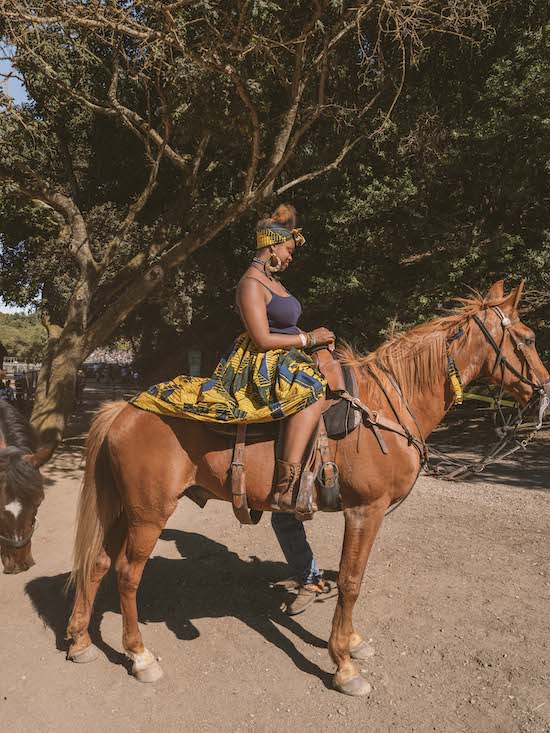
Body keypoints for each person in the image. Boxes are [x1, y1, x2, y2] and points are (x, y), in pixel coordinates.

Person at [131, 204, 335, 612]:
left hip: (290, 353)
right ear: (273, 246)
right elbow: (261, 339)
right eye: (290, 249)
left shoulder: (273, 281)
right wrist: (309, 340)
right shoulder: (250, 284)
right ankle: (286, 483)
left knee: (338, 380)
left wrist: (318, 345)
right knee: (312, 390)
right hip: (263, 363)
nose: (292, 256)